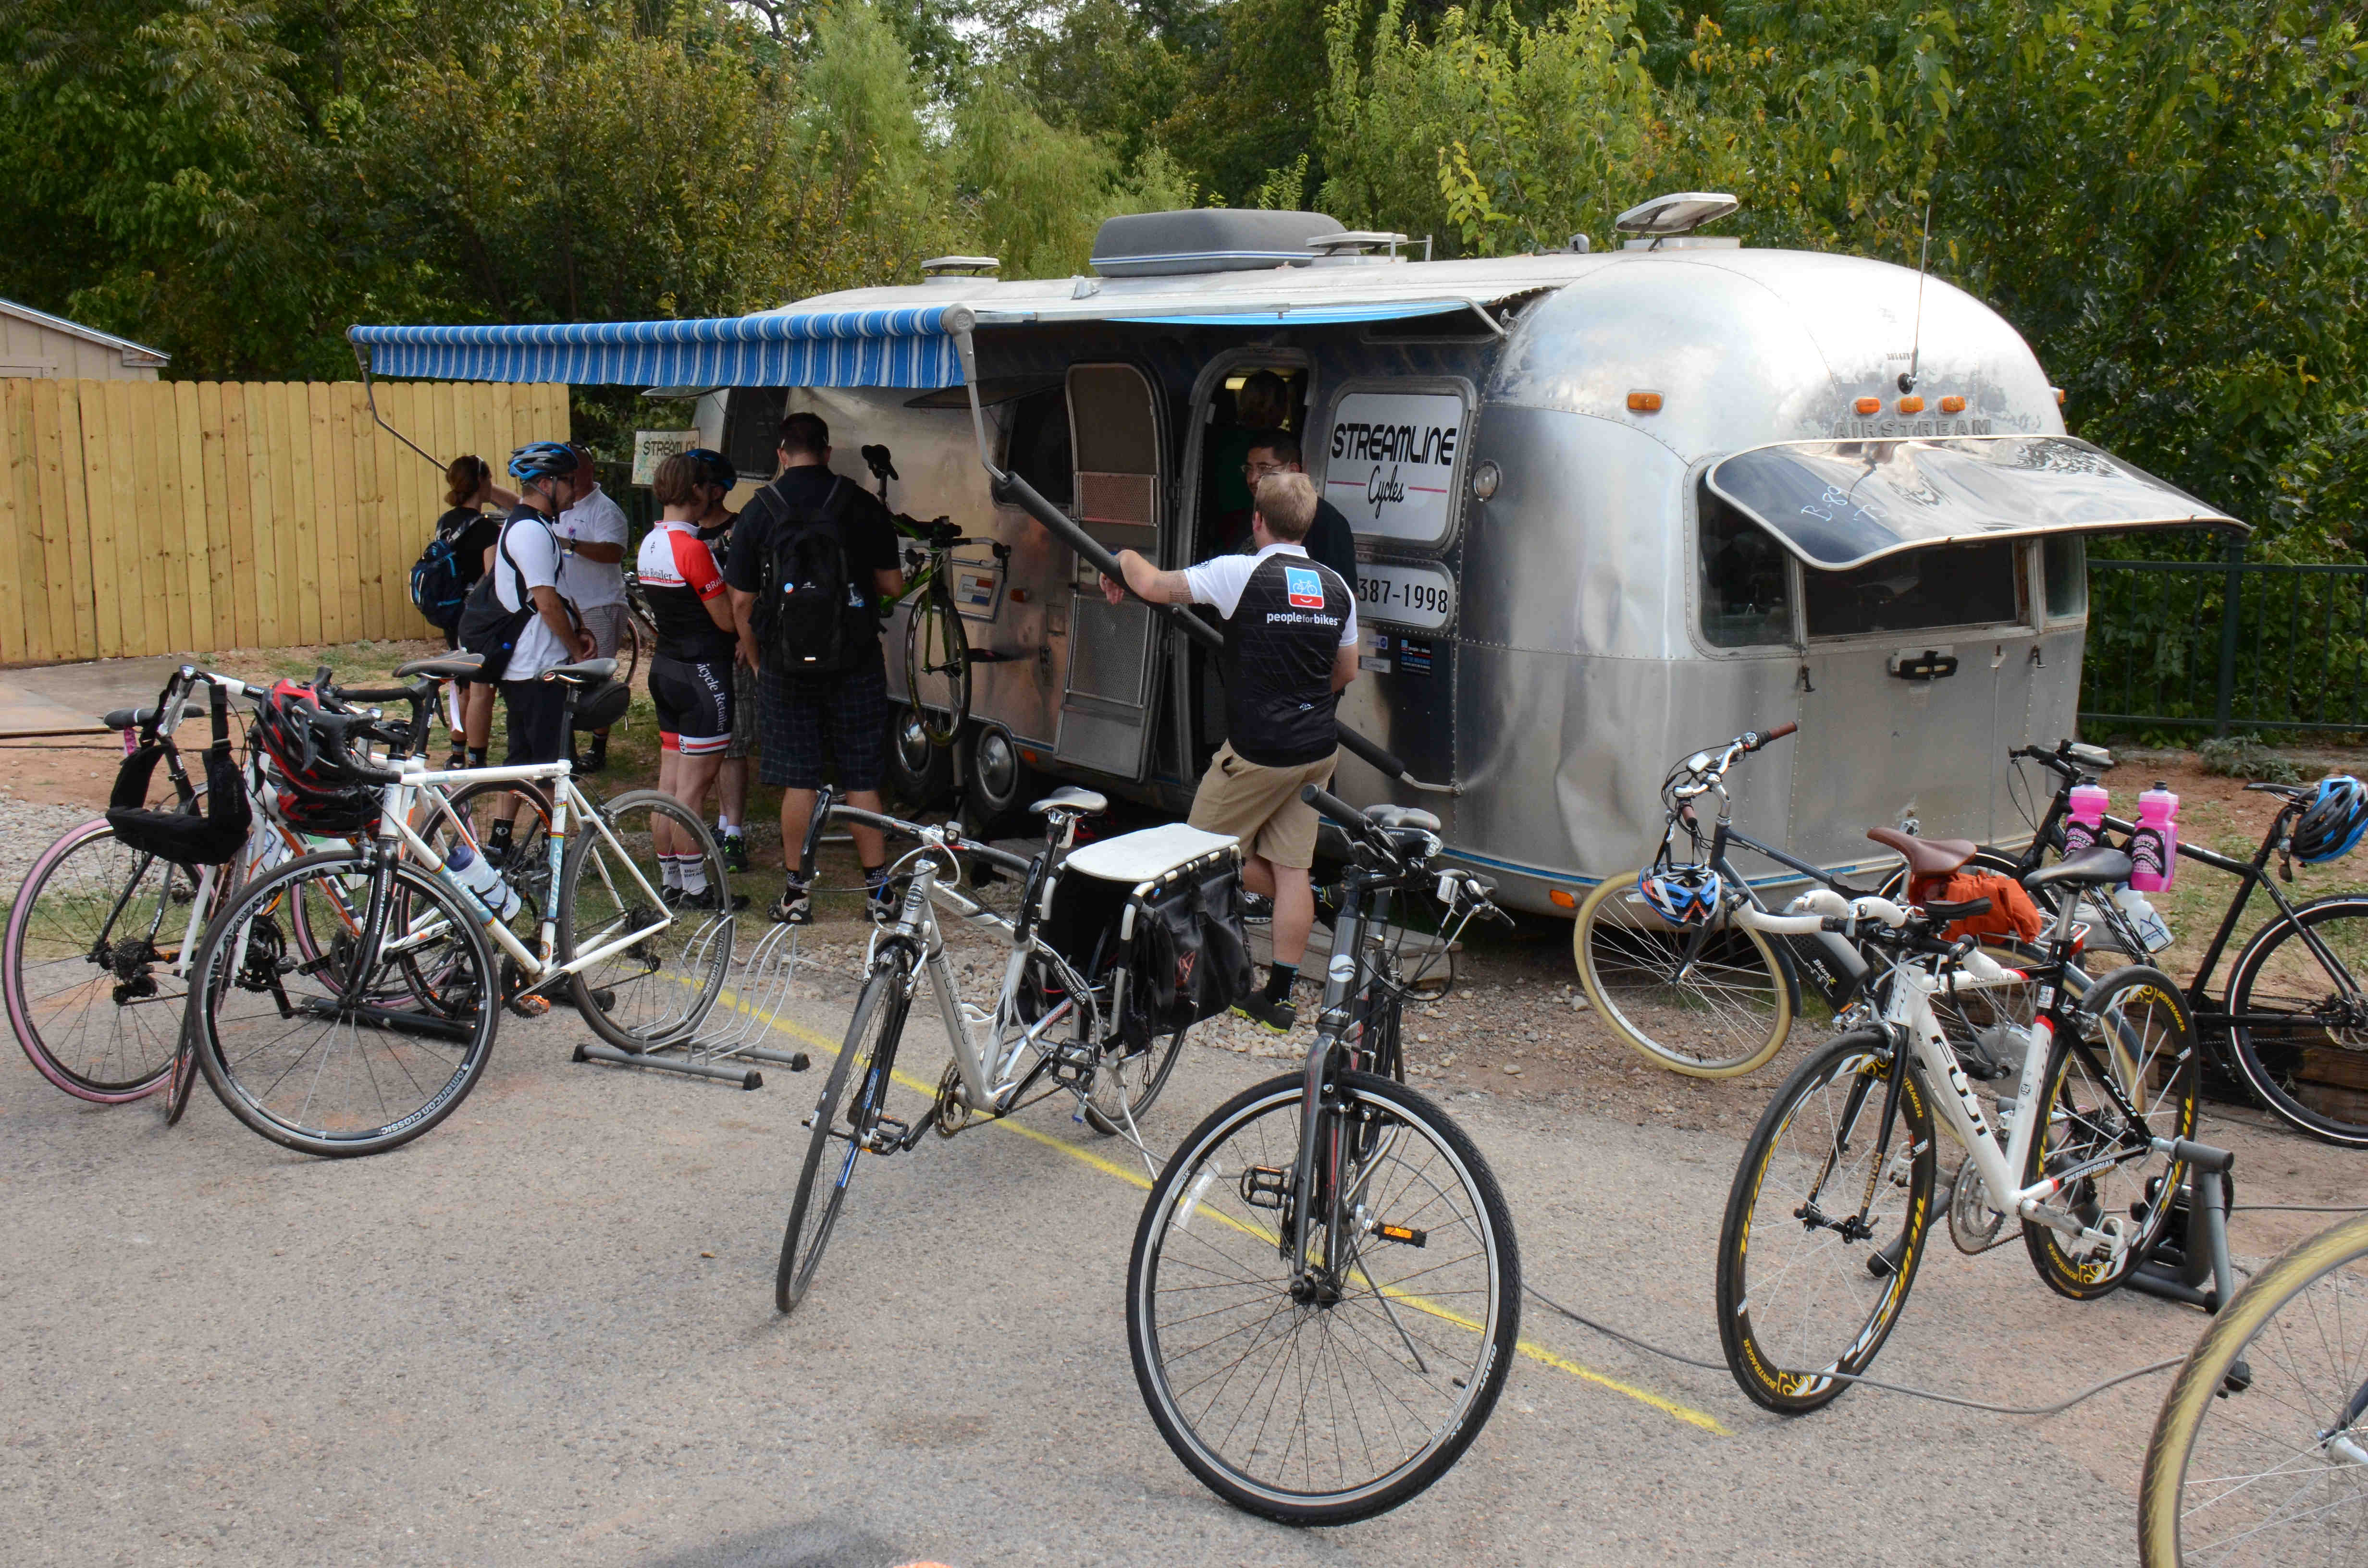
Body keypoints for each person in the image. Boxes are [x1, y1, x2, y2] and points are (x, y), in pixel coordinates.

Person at [1100, 471, 1358, 1033]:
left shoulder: (1238, 573)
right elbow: (1346, 670)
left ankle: (1173, 982)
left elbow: (1151, 584)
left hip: (1258, 751)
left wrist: (1119, 555)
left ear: (1257, 521)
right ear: (1310, 523)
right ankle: (1280, 998)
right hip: (1317, 748)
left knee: (1196, 858)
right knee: (1291, 869)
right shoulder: (1336, 586)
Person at [725, 411, 905, 925]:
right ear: (826, 452)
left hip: (784, 666)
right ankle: (878, 894)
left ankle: (797, 896)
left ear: (782, 454)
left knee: (798, 780)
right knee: (861, 774)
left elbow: (741, 601)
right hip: (855, 660)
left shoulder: (758, 510)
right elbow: (891, 586)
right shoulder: (860, 504)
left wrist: (758, 660)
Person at [634, 452, 747, 910]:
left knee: (669, 787)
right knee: (692, 792)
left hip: (666, 669)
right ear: (697, 492)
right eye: (708, 488)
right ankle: (697, 890)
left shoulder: (649, 543)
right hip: (704, 674)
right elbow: (725, 620)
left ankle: (671, 881)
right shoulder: (693, 549)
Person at [482, 442, 596, 865]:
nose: (573, 489)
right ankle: (555, 851)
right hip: (537, 666)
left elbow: (556, 594)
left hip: (531, 664)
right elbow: (545, 601)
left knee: (523, 756)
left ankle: (499, 842)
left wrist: (579, 629)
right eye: (568, 481)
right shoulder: (530, 530)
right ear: (546, 484)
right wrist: (574, 649)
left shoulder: (535, 524)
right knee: (551, 765)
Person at [686, 447, 757, 874]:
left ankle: (734, 832)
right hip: (692, 653)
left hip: (730, 650)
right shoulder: (683, 533)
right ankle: (716, 822)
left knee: (733, 746)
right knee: (699, 742)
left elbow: (753, 588)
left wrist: (746, 638)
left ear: (715, 490)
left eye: (696, 484)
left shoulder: (739, 530)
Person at [552, 442, 631, 774]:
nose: (570, 474)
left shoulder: (604, 510)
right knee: (562, 674)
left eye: (577, 467)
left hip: (599, 603)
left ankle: (598, 748)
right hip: (568, 605)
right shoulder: (557, 506)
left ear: (590, 470)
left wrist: (571, 545)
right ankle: (564, 745)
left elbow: (614, 552)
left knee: (597, 677)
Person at [433, 455, 516, 771]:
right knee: (481, 689)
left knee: (461, 683)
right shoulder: (484, 529)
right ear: (483, 483)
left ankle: (457, 754)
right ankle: (476, 760)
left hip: (450, 610)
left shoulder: (446, 521)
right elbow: (491, 578)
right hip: (475, 616)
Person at [1242, 432, 1357, 591]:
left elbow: (1346, 597)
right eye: (1249, 469)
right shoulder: (1249, 512)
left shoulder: (1328, 521)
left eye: (1264, 469)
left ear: (1293, 470)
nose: (1253, 478)